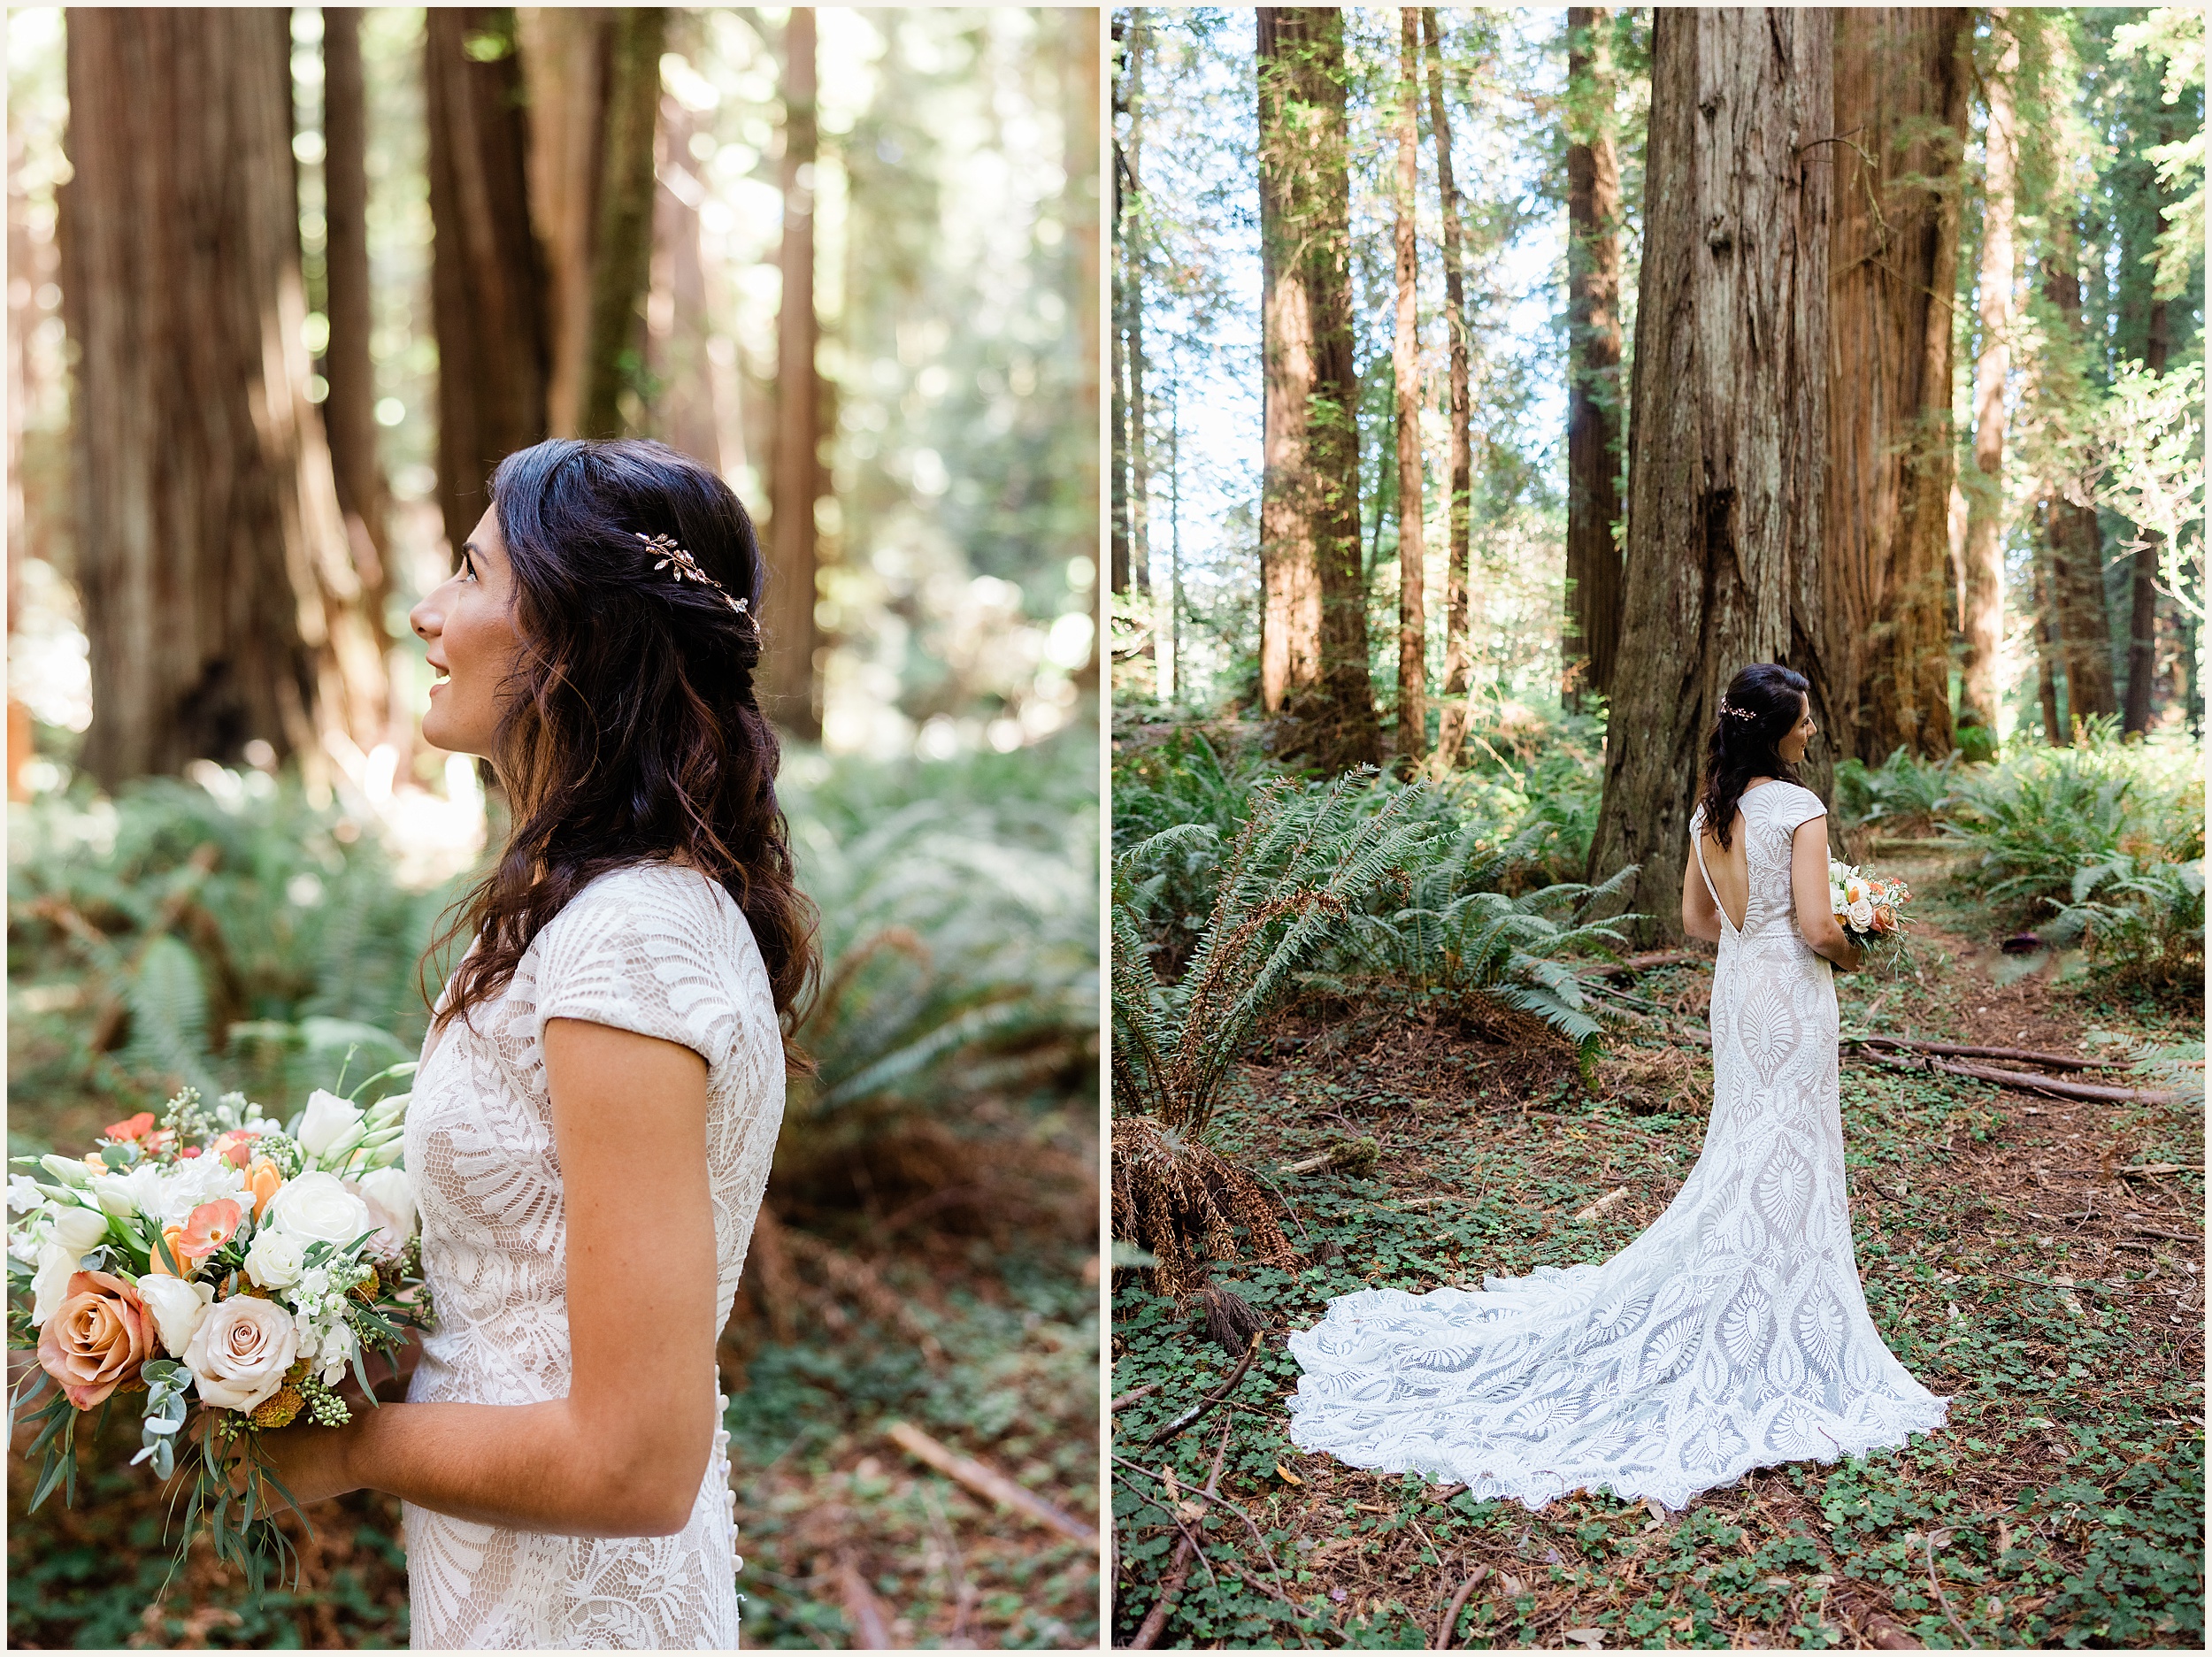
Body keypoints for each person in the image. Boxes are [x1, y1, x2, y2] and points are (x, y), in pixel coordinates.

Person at [253, 438, 816, 1647]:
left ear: (577, 633)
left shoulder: (628, 943)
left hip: (578, 1605)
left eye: (468, 569)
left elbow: (636, 1462)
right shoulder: (583, 911)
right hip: (502, 1575)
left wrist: (338, 1446)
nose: (425, 612)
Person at [1286, 662, 1946, 1512]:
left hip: (1740, 996)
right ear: (1778, 727)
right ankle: (1775, 1302)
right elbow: (1819, 927)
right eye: (1807, 718)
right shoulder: (1801, 810)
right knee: (1788, 1145)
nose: (1813, 729)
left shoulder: (1713, 810)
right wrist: (1860, 943)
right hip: (1790, 995)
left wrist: (1770, 931)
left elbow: (1699, 923)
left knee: (1749, 1141)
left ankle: (1746, 1287)